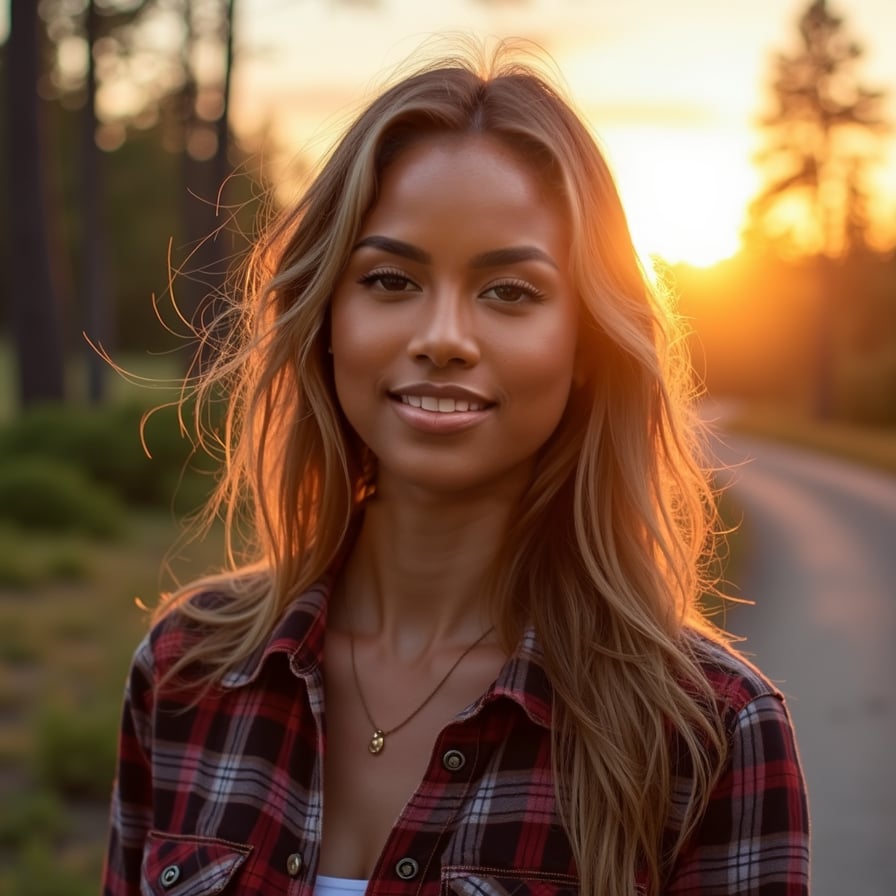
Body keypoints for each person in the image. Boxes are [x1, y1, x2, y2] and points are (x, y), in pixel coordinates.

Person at [102, 43, 810, 896]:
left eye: (509, 291)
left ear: (585, 343)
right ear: (328, 317)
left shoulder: (709, 733)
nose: (443, 337)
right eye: (391, 279)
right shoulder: (186, 670)